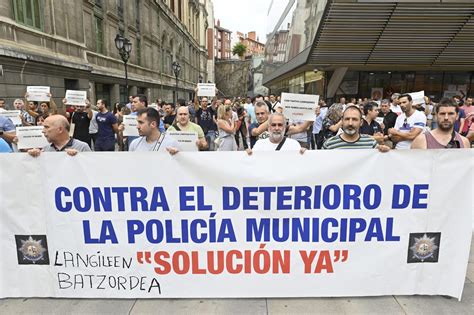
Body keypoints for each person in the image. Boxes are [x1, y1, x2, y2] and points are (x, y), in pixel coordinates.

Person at [323, 106, 390, 151]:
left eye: (354, 119)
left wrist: (383, 152)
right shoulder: (329, 144)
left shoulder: (371, 143)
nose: (350, 123)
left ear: (361, 122)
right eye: (347, 119)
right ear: (342, 121)